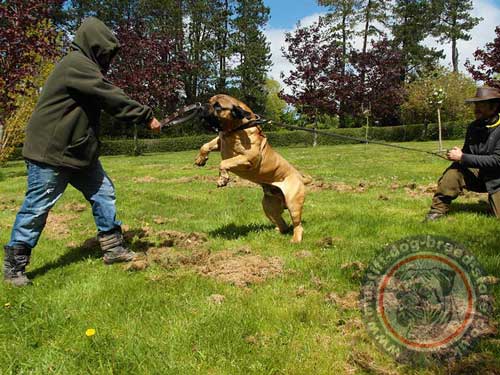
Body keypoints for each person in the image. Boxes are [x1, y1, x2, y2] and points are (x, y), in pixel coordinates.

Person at [3, 17, 162, 286]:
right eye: (106, 52)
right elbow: (107, 94)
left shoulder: (85, 67)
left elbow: (103, 100)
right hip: (51, 153)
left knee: (104, 193)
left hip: (78, 152)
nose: (108, 58)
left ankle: (113, 248)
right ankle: (14, 268)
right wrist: (145, 116)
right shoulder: (75, 64)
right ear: (94, 45)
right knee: (37, 207)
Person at [425, 86, 500, 221]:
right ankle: (437, 210)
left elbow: (496, 161)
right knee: (454, 171)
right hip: (480, 175)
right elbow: (467, 154)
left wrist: (462, 157)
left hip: (498, 178)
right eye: (475, 104)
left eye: (481, 104)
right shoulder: (473, 127)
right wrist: (458, 155)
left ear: (494, 108)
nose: (476, 108)